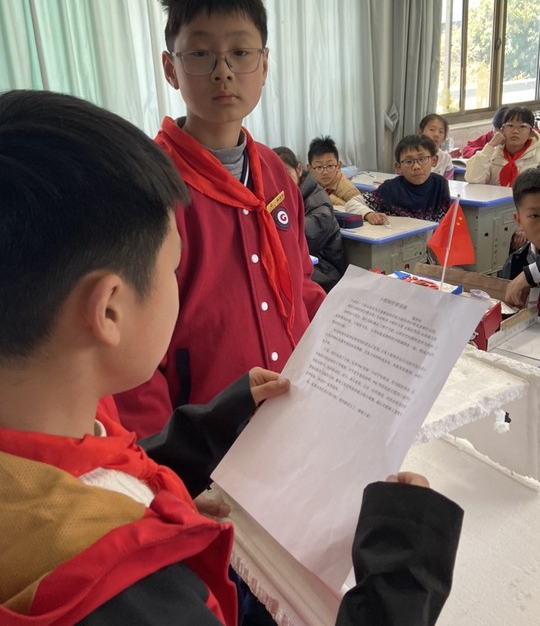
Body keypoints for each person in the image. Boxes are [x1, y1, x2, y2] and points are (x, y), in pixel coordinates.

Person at [0, 89, 464, 626]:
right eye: (172, 269)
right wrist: (405, 571)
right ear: (109, 310)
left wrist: (210, 431)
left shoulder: (60, 424)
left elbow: (105, 465)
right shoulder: (126, 588)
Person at [115, 0, 326, 439]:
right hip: (202, 445)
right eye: (201, 53)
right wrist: (163, 459)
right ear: (171, 68)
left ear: (264, 65)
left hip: (291, 420)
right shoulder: (147, 189)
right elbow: (130, 359)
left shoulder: (275, 173)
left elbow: (301, 285)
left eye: (240, 52)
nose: (223, 70)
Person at [274, 146, 347, 292]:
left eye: (286, 173)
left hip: (325, 270)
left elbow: (299, 240)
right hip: (301, 265)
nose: (280, 180)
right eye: (274, 175)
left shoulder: (319, 202)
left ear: (299, 170)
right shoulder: (278, 198)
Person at [363, 135, 451, 221]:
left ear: (434, 160)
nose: (416, 166)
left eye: (422, 159)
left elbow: (445, 219)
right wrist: (368, 214)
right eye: (409, 162)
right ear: (399, 167)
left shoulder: (440, 184)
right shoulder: (389, 188)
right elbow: (357, 202)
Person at [307, 135, 389, 225]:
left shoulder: (346, 187)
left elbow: (359, 206)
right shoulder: (307, 183)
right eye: (319, 167)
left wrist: (329, 198)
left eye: (330, 166)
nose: (325, 172)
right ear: (309, 168)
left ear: (338, 166)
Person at [465, 106, 540, 186]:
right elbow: (472, 179)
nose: (515, 131)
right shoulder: (493, 152)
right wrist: (490, 145)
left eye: (522, 126)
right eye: (510, 126)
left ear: (531, 133)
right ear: (502, 130)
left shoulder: (537, 154)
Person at [503, 168, 540, 308]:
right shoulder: (516, 262)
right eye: (535, 216)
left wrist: (531, 273)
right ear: (519, 221)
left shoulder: (527, 272)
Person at [418, 113, 454, 179]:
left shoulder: (446, 159)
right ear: (421, 132)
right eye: (432, 130)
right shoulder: (411, 154)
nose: (436, 134)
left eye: (441, 132)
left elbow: (449, 183)